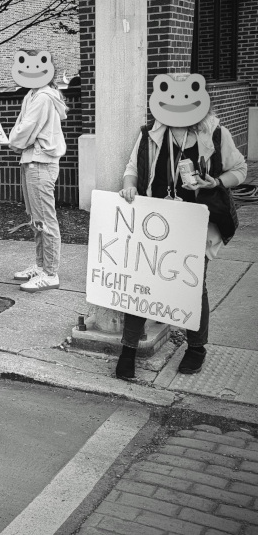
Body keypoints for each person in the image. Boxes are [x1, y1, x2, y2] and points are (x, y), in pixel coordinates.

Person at [115, 73, 246, 380]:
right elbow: (132, 168)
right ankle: (128, 349)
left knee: (191, 284)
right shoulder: (150, 133)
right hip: (157, 223)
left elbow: (239, 169)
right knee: (141, 282)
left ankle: (196, 347)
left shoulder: (215, 134)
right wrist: (129, 186)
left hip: (197, 222)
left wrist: (217, 181)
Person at [8, 50, 67, 292]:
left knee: (45, 219)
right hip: (32, 160)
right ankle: (42, 266)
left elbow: (25, 129)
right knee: (37, 218)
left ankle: (50, 273)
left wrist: (13, 141)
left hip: (40, 162)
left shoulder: (43, 97)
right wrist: (17, 140)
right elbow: (22, 128)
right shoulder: (33, 95)